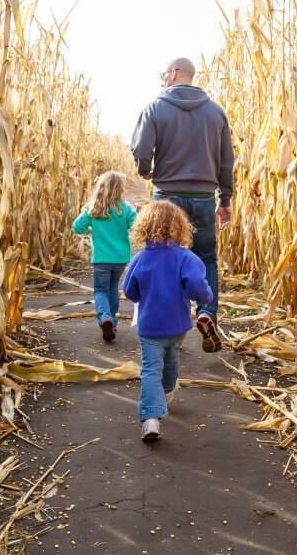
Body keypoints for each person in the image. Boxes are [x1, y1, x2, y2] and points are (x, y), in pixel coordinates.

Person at [130, 57, 234, 353]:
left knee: (160, 258)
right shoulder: (216, 113)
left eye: (164, 75)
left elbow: (141, 147)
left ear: (173, 74)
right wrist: (225, 199)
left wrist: (144, 168)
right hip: (203, 197)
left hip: (166, 197)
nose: (163, 80)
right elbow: (227, 161)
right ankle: (206, 311)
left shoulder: (155, 107)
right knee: (206, 258)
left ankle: (163, 326)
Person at [122, 201, 213, 441]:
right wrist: (205, 298)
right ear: (180, 227)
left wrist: (145, 293)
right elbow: (198, 288)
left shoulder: (140, 259)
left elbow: (129, 292)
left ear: (144, 227)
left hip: (150, 325)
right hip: (177, 325)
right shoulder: (186, 258)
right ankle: (165, 392)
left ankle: (151, 418)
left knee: (151, 368)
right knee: (172, 359)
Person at [72, 171, 137, 341]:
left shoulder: (93, 208)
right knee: (113, 288)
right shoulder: (126, 208)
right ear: (121, 189)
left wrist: (91, 230)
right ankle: (113, 322)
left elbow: (76, 227)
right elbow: (137, 225)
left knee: (101, 290)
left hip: (101, 258)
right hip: (120, 258)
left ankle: (104, 317)